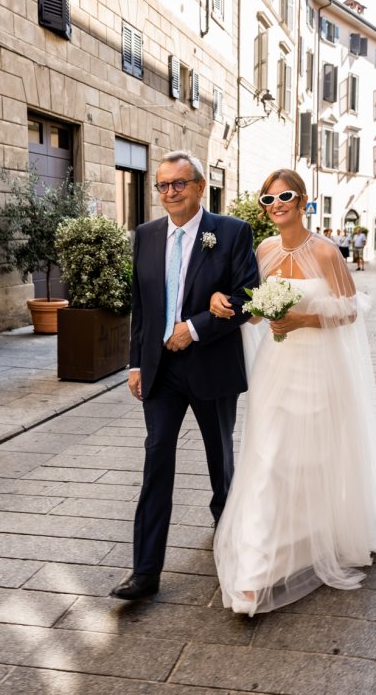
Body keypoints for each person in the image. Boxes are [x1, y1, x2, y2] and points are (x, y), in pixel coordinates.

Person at [209, 168, 376, 616]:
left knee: (312, 455)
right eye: (268, 200)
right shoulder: (263, 250)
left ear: (303, 200)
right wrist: (223, 303)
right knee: (268, 457)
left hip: (318, 366)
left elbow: (351, 308)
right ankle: (254, 569)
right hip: (276, 366)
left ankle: (312, 534)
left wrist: (303, 319)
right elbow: (251, 311)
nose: (276, 205)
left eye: (284, 196)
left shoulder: (326, 251)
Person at [111, 150, 259, 600]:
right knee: (156, 463)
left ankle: (230, 543)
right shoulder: (146, 235)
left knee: (221, 463)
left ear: (199, 187)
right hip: (160, 372)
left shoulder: (231, 232)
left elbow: (249, 297)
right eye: (162, 185)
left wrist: (194, 329)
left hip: (211, 365)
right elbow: (142, 305)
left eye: (179, 184)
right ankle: (145, 572)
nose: (169, 192)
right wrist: (135, 362)